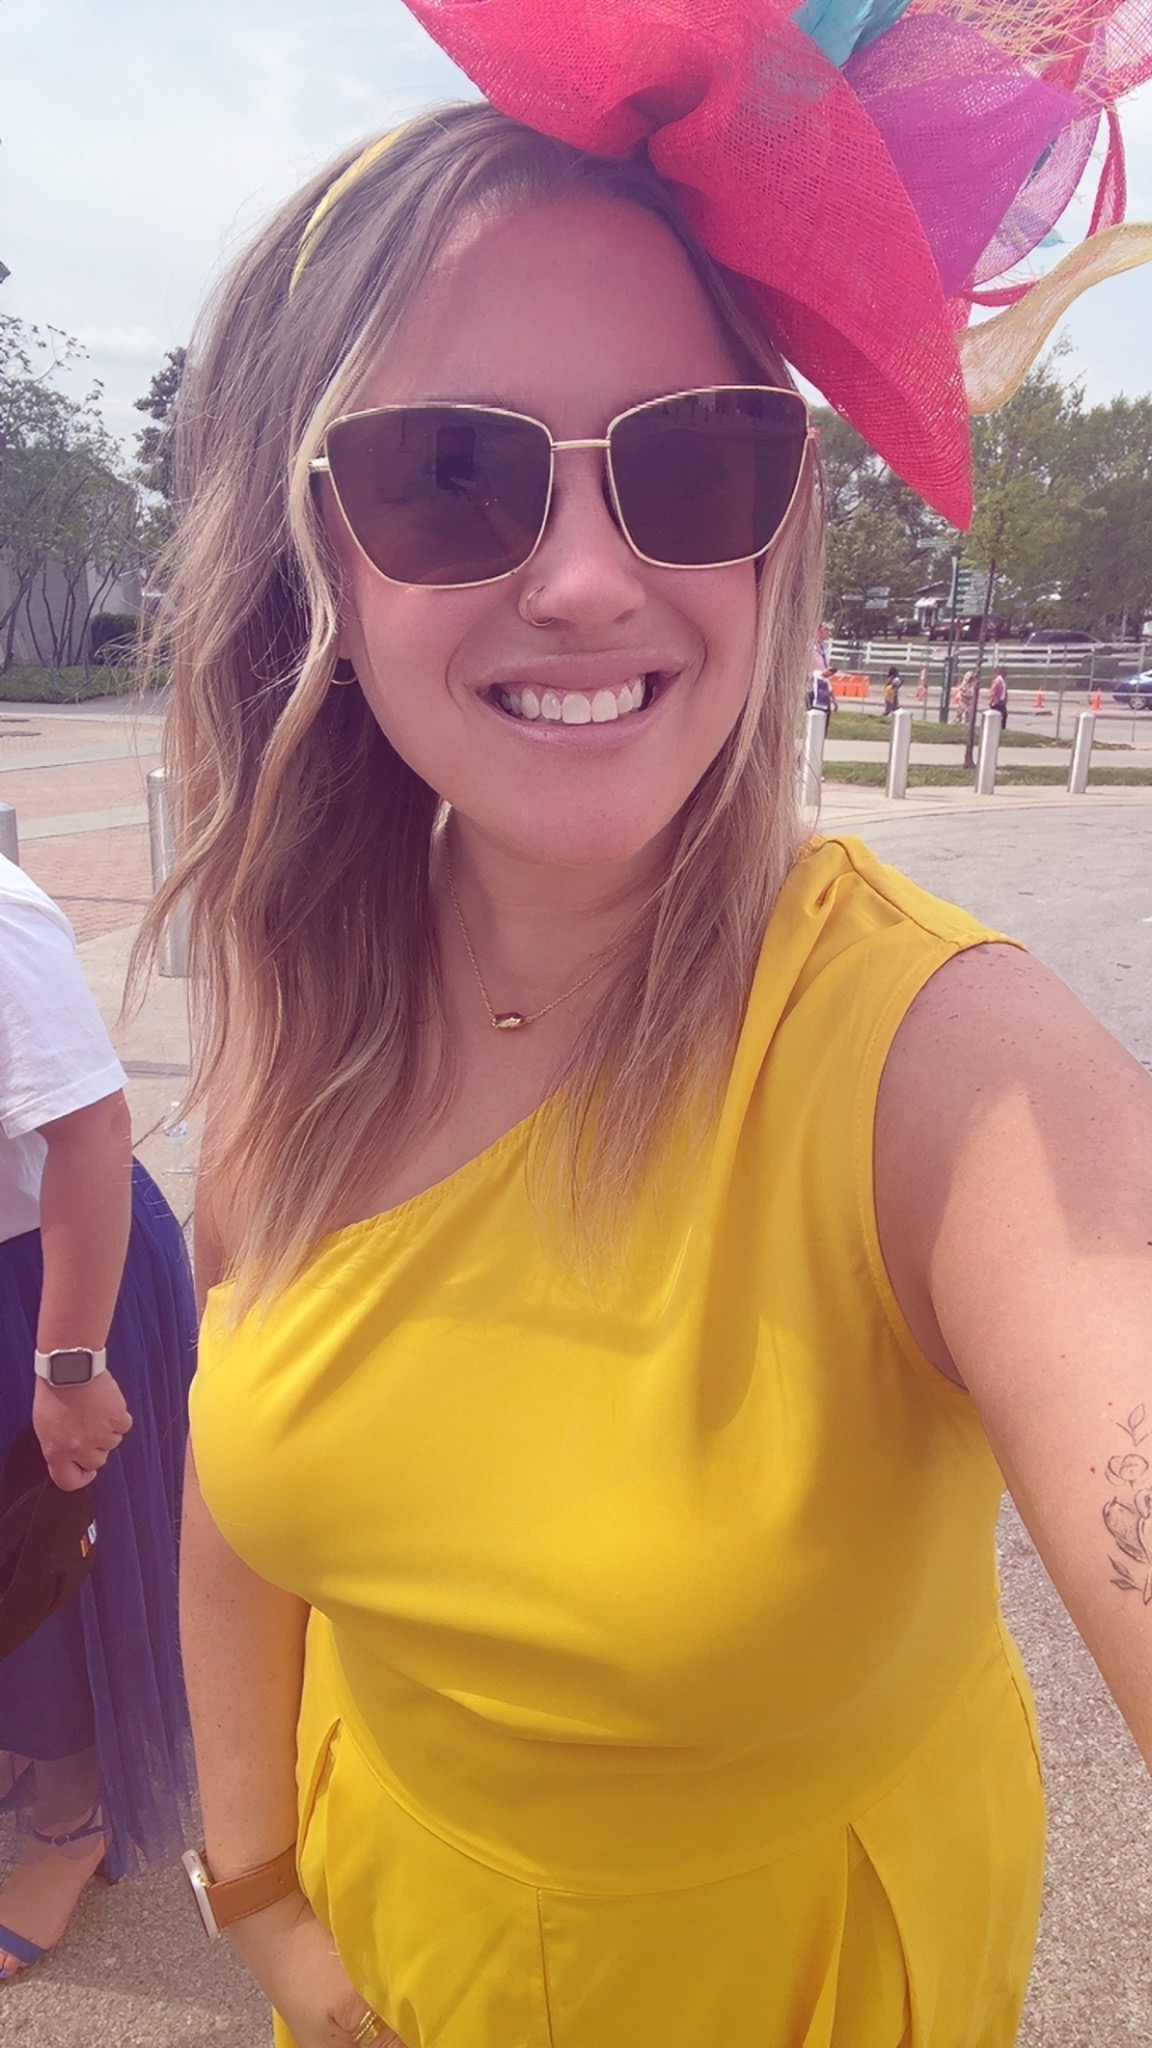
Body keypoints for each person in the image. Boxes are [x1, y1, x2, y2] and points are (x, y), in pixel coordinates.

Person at [157, 7, 1152, 2046]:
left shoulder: (945, 1064)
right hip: (385, 1942)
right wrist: (262, 1898)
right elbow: (246, 1489)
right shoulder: (314, 1003)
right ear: (303, 546)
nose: (595, 581)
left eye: (696, 462)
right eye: (453, 477)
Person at [0, 854, 196, 1980]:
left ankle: (74, 1818)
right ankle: (23, 1742)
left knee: (52, 1555)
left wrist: (69, 1366)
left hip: (54, 1281)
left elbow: (93, 1131)